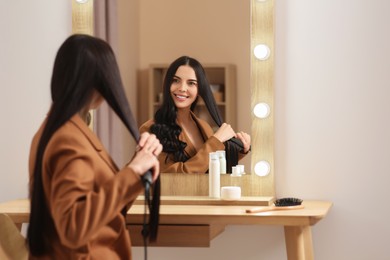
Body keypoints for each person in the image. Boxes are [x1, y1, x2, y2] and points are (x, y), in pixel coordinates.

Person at [27, 34, 162, 259]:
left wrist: (137, 167)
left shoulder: (57, 130)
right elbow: (73, 226)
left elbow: (101, 206)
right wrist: (132, 172)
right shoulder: (67, 139)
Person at [139, 56, 250, 173]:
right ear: (167, 85)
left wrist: (240, 150)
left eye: (191, 83)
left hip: (207, 191)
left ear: (199, 90)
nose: (182, 88)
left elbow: (208, 166)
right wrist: (216, 141)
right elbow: (172, 177)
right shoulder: (149, 130)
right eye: (175, 80)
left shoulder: (204, 126)